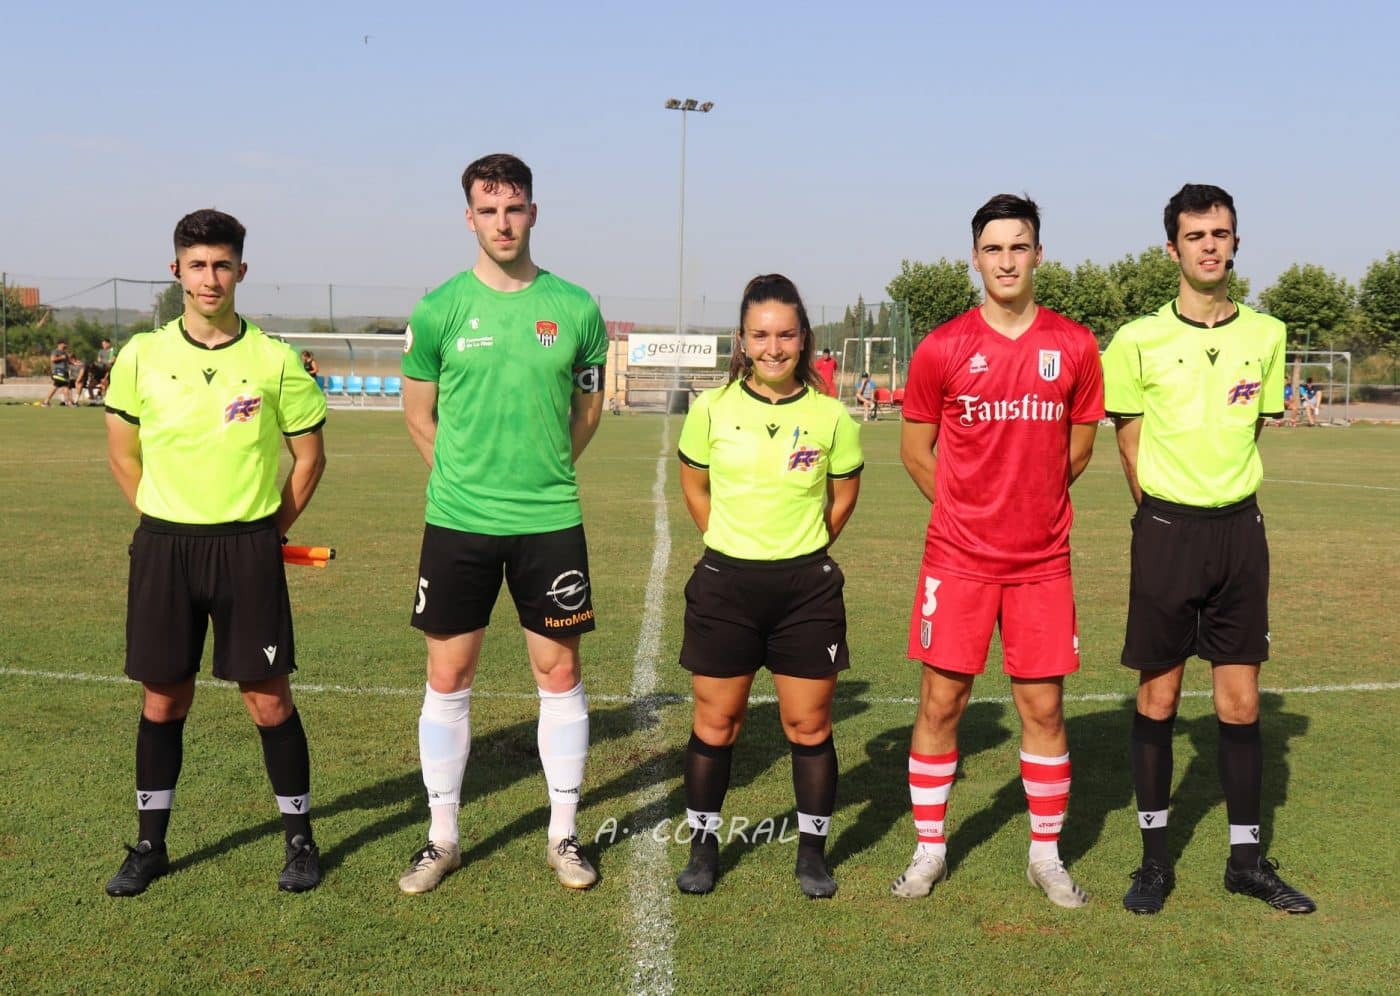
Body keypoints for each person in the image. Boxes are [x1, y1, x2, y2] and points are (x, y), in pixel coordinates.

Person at [1101, 183, 1316, 915]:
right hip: (1166, 530)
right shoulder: (1135, 340)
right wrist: (1167, 515)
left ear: (1236, 242)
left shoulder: (1267, 332)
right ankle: (1154, 863)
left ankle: (1246, 863)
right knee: (1159, 696)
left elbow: (1251, 430)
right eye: (1196, 236)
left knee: (1241, 700)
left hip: (1239, 532)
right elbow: (1129, 445)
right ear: (1173, 249)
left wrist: (1220, 503)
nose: (1210, 246)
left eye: (1221, 233)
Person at [398, 153, 608, 895]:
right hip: (457, 522)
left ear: (533, 213)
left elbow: (586, 413)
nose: (503, 222)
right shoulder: (439, 308)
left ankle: (563, 832)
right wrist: (462, 480)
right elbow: (419, 415)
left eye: (514, 208)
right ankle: (443, 835)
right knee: (448, 674)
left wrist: (541, 473)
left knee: (560, 673)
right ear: (469, 218)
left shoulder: (577, 309)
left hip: (549, 520)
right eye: (488, 211)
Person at [102, 209, 328, 897]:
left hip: (247, 549)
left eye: (222, 265)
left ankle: (299, 842)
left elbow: (309, 458)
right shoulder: (141, 355)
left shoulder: (273, 359)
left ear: (241, 271)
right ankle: (150, 846)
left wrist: (264, 533)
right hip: (166, 548)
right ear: (177, 271)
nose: (210, 278)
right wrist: (166, 517)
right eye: (197, 265)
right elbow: (121, 453)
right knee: (163, 700)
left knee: (268, 701)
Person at [892, 194, 1104, 909]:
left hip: (1042, 563)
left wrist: (1030, 503)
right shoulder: (944, 347)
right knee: (942, 700)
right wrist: (966, 512)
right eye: (994, 248)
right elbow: (915, 451)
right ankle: (929, 852)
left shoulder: (1073, 345)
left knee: (1043, 708)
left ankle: (1045, 856)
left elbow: (1078, 447)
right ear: (975, 257)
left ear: (1039, 255)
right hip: (957, 559)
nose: (1007, 260)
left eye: (1020, 247)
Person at [675, 273, 862, 898]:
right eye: (761, 335)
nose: (774, 347)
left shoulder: (831, 416)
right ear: (742, 339)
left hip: (806, 589)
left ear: (803, 338)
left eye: (785, 334)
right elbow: (696, 489)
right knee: (716, 722)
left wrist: (798, 550)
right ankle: (703, 847)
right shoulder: (711, 410)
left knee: (808, 726)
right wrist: (735, 547)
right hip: (726, 586)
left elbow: (843, 499)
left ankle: (812, 854)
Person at [43, 339, 76, 407]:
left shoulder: (65, 353)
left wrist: (76, 363)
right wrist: (61, 357)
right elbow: (52, 359)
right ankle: (69, 403)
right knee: (61, 386)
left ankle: (46, 402)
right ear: (60, 344)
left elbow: (69, 362)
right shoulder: (55, 351)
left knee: (60, 386)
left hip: (64, 372)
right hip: (58, 372)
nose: (66, 345)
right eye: (65, 343)